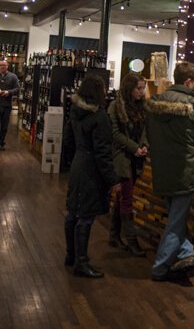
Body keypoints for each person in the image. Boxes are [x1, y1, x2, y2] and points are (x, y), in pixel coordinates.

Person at [145, 61, 194, 281]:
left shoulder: (155, 102)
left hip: (162, 168)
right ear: (189, 81)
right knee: (176, 223)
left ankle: (186, 253)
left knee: (175, 217)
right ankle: (160, 268)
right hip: (185, 170)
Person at [63, 74, 121, 278]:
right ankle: (82, 262)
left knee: (72, 211)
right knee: (86, 216)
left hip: (78, 164)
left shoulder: (75, 112)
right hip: (91, 170)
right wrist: (113, 180)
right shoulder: (100, 117)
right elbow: (103, 153)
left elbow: (67, 139)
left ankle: (71, 255)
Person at [107, 73, 148, 257]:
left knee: (122, 196)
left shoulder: (142, 107)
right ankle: (132, 241)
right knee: (127, 199)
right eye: (138, 88)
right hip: (121, 157)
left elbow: (147, 130)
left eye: (143, 88)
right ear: (129, 88)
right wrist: (134, 148)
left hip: (136, 158)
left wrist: (145, 145)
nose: (141, 91)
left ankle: (114, 235)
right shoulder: (115, 106)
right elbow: (114, 133)